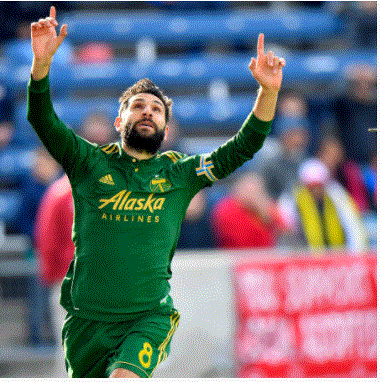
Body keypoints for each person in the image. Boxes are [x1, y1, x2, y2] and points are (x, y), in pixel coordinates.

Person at [27, 6, 285, 378]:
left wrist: (268, 91)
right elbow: (41, 118)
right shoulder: (87, 163)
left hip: (147, 318)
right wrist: (41, 65)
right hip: (87, 322)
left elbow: (242, 147)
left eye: (157, 110)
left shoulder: (180, 173)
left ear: (165, 127)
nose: (148, 112)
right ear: (120, 121)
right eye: (138, 106)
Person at [278, 158, 367, 251]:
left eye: (319, 186)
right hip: (305, 255)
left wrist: (355, 253)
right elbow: (286, 229)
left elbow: (352, 225)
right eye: (312, 187)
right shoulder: (293, 198)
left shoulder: (336, 195)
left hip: (338, 253)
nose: (316, 191)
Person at [211, 172, 287, 249]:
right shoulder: (228, 209)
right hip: (237, 256)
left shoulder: (266, 206)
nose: (253, 191)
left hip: (267, 255)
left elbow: (284, 231)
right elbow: (243, 244)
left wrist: (265, 214)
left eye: (257, 189)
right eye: (248, 187)